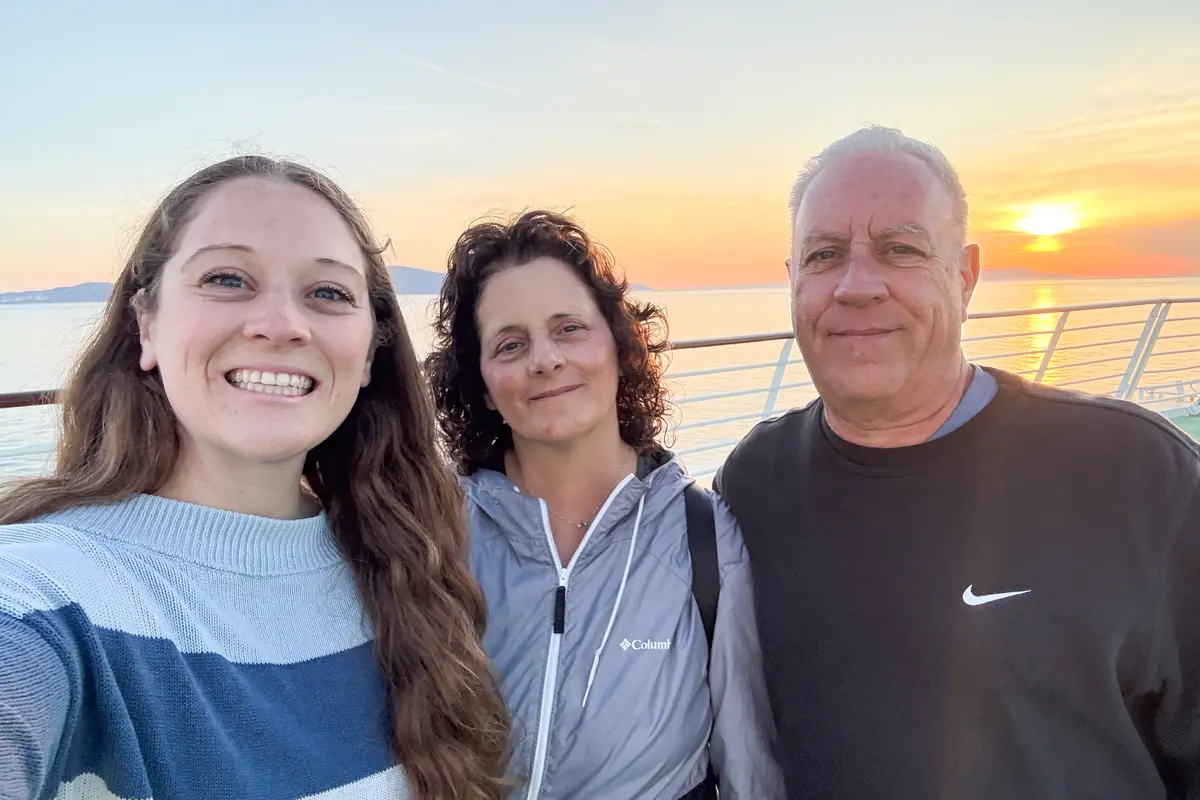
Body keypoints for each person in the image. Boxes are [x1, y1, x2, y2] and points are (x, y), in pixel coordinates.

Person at [0, 155, 510, 800]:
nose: (281, 323)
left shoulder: (406, 565)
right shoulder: (50, 601)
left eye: (327, 292)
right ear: (146, 324)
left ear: (368, 354)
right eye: (227, 278)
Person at [713, 124, 1200, 798]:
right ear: (794, 281)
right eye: (824, 255)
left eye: (900, 249)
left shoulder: (1138, 475)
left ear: (965, 276)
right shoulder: (755, 482)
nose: (857, 285)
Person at [424, 210, 784, 800]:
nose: (544, 358)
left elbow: (749, 766)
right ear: (484, 384)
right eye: (511, 344)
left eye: (569, 328)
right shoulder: (434, 534)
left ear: (618, 347)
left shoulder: (706, 542)